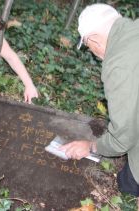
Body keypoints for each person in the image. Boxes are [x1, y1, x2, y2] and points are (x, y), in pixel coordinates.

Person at [60, 3, 139, 197]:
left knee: (127, 183)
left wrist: (91, 146)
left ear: (94, 40)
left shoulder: (118, 66)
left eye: (87, 46)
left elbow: (123, 138)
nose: (92, 51)